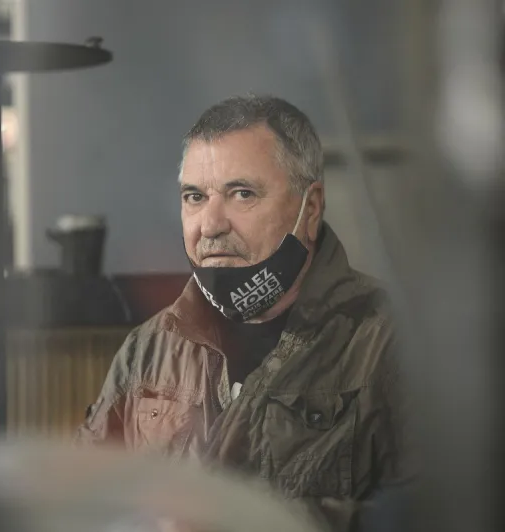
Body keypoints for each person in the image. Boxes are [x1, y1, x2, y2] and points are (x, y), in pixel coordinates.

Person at [75, 95, 409, 529]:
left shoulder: (387, 342)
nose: (210, 224)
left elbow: (440, 513)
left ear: (310, 209)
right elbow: (84, 501)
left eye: (242, 194)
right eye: (194, 197)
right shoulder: (149, 348)